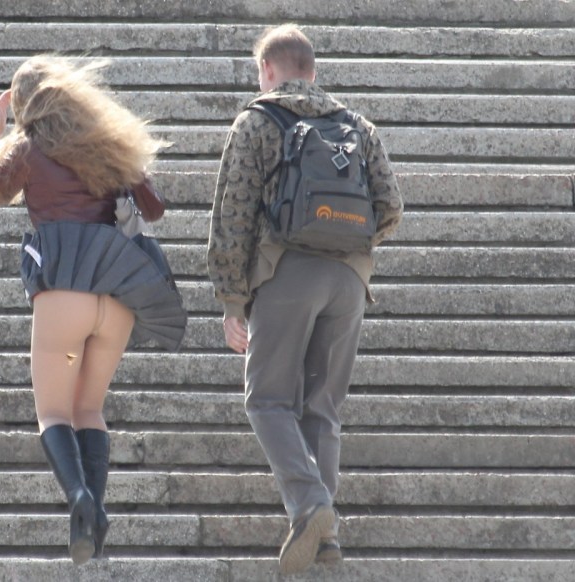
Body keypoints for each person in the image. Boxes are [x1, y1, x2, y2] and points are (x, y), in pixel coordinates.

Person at [0, 55, 187, 566]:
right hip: (118, 293)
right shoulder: (105, 143)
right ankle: (98, 511)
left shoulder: (26, 146)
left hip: (66, 290)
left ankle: (80, 499)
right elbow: (154, 207)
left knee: (53, 411)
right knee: (90, 410)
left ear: (24, 106)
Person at [206, 25, 403, 575]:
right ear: (312, 71)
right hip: (348, 281)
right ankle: (326, 535)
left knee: (268, 401)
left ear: (268, 70)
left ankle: (311, 505)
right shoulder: (356, 126)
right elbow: (390, 205)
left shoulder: (258, 120)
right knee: (322, 407)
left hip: (285, 271)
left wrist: (231, 298)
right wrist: (349, 246)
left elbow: (233, 215)